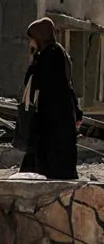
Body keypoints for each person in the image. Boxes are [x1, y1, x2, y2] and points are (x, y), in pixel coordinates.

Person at [21, 18, 79, 181]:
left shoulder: (49, 55)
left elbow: (34, 81)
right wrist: (78, 112)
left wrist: (33, 60)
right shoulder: (59, 52)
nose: (30, 42)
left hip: (52, 119)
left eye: (32, 38)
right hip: (61, 117)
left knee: (49, 164)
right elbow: (69, 85)